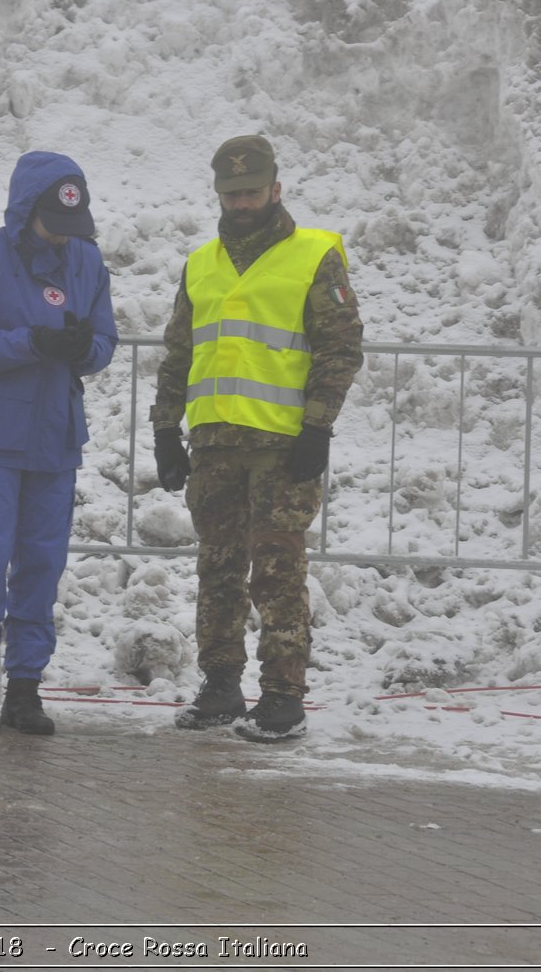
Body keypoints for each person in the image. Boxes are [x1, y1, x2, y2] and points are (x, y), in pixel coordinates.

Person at [151, 134, 363, 741]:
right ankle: (220, 686)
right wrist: (167, 429)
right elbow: (178, 354)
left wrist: (318, 425)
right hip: (213, 443)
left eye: (250, 192)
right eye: (229, 194)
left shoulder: (314, 255)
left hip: (281, 445)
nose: (240, 203)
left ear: (276, 189)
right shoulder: (200, 263)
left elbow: (340, 348)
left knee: (276, 571)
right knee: (218, 569)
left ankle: (282, 695)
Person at [0, 152, 118, 735]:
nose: (64, 238)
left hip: (53, 437)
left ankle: (24, 687)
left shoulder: (88, 262)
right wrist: (34, 343)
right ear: (27, 211)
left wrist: (79, 350)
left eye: (73, 226)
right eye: (53, 223)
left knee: (42, 568)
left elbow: (104, 340)